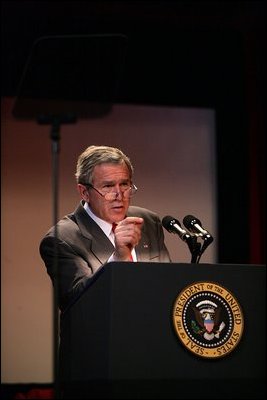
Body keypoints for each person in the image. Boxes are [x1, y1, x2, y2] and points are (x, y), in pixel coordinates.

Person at [39, 145, 171, 312]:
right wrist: (118, 257)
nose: (119, 195)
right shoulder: (62, 238)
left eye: (124, 184)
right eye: (108, 187)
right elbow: (78, 304)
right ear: (84, 192)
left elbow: (167, 283)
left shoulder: (148, 222)